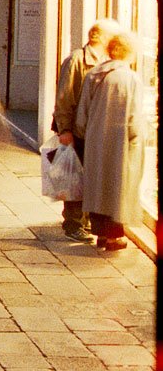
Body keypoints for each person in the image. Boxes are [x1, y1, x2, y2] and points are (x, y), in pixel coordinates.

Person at [74, 30, 148, 253]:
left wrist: (86, 135)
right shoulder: (131, 78)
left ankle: (102, 234)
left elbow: (81, 115)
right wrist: (138, 140)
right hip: (120, 143)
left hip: (96, 139)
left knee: (98, 185)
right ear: (130, 53)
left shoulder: (94, 74)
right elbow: (135, 118)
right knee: (118, 187)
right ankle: (115, 237)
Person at [51, 21, 114, 242]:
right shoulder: (77, 60)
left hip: (92, 128)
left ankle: (84, 221)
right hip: (76, 128)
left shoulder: (106, 62)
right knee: (74, 177)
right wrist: (64, 129)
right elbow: (64, 97)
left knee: (88, 176)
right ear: (102, 38)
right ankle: (73, 224)